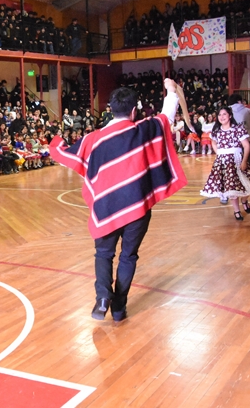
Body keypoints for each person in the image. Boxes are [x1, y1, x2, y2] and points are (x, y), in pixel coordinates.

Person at [50, 79, 188, 322]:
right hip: (137, 207)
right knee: (128, 256)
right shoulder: (144, 129)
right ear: (134, 111)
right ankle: (119, 308)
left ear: (110, 109)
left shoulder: (94, 139)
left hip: (106, 207)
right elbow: (167, 115)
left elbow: (64, 155)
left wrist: (56, 143)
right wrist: (170, 91)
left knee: (103, 254)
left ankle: (103, 297)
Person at [200, 107, 250, 221]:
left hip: (237, 159)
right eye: (219, 115)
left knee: (249, 184)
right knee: (231, 187)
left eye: (224, 114)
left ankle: (244, 200)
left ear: (230, 115)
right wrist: (218, 153)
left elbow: (246, 146)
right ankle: (237, 210)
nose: (222, 117)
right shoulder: (216, 131)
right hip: (224, 162)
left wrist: (244, 161)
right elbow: (213, 142)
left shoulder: (237, 129)